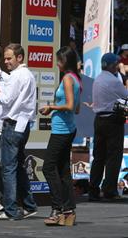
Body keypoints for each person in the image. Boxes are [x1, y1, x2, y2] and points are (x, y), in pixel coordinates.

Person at [0, 43, 38, 220]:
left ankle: (11, 209)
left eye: (9, 58)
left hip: (13, 125)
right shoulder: (28, 75)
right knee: (18, 167)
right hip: (23, 125)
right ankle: (29, 205)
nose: (6, 62)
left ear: (19, 58)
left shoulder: (16, 76)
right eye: (5, 58)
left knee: (8, 168)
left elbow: (6, 100)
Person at [39, 47, 81, 226]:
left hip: (62, 130)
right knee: (63, 170)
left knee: (48, 167)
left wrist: (52, 107)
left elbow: (71, 105)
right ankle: (69, 210)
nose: (57, 64)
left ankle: (57, 209)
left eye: (59, 61)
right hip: (67, 128)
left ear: (66, 62)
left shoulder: (67, 79)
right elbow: (77, 108)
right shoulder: (76, 79)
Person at [89, 53, 128, 201]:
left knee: (98, 157)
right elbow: (126, 95)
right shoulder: (114, 81)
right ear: (112, 65)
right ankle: (109, 189)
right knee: (113, 156)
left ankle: (93, 189)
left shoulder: (98, 79)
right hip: (112, 121)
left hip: (99, 120)